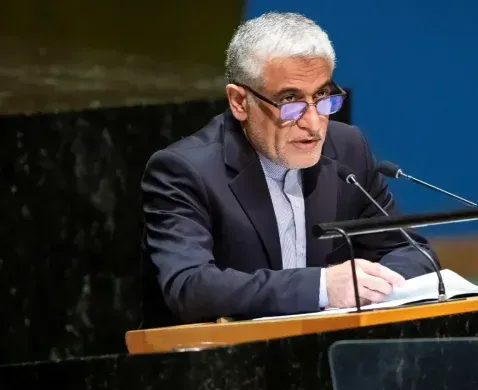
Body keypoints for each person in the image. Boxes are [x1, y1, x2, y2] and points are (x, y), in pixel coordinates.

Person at [139, 12, 439, 327]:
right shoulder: (185, 171)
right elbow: (189, 286)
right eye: (290, 101)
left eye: (322, 96)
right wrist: (322, 288)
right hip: (221, 354)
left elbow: (412, 252)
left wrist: (370, 283)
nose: (313, 124)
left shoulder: (347, 149)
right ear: (239, 101)